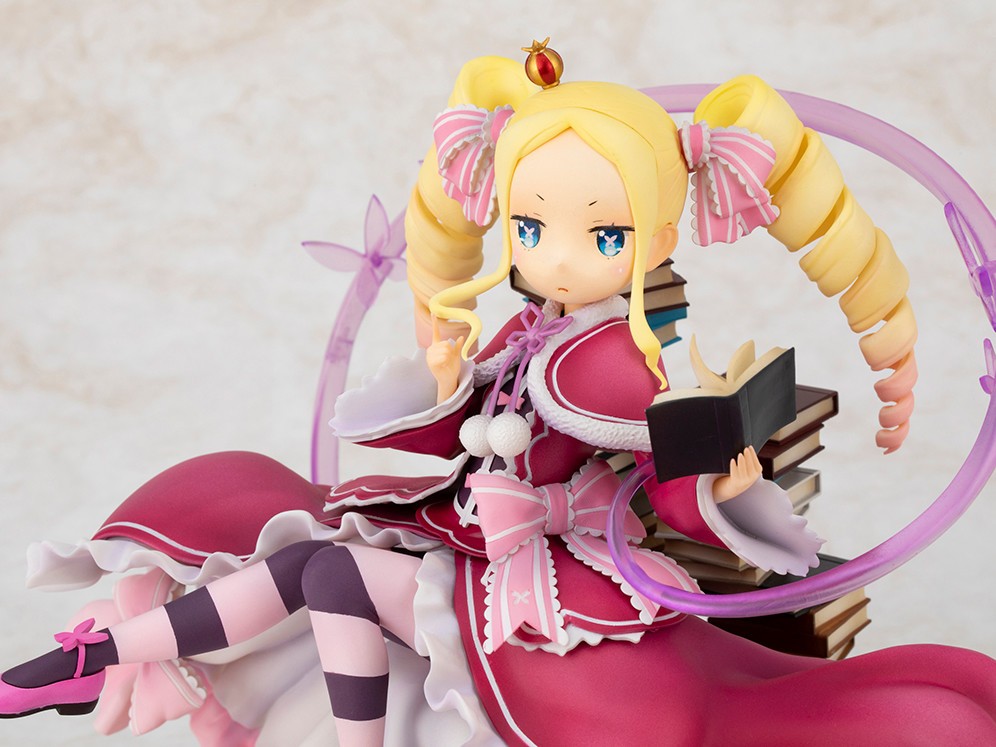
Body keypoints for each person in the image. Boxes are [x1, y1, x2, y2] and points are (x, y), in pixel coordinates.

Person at [1, 43, 993, 746]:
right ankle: (106, 651)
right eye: (529, 227)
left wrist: (721, 487)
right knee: (315, 565)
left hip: (547, 581)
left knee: (327, 576)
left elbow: (667, 480)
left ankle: (124, 658)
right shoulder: (529, 332)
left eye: (601, 235)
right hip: (468, 537)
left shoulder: (621, 361)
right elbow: (466, 431)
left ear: (652, 240)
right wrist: (439, 378)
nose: (555, 257)